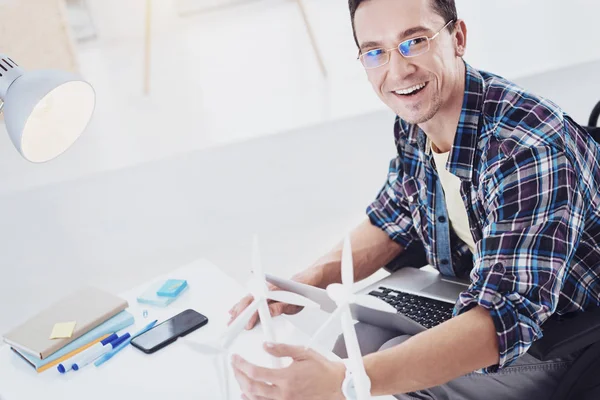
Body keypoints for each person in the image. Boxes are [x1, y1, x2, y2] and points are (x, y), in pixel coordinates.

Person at [227, 0, 600, 398]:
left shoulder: (527, 147)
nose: (398, 70)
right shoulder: (417, 124)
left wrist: (347, 381)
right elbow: (392, 220)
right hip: (485, 296)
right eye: (376, 52)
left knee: (372, 370)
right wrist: (302, 283)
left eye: (415, 41)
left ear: (458, 38)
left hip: (565, 335)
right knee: (361, 339)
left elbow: (502, 318)